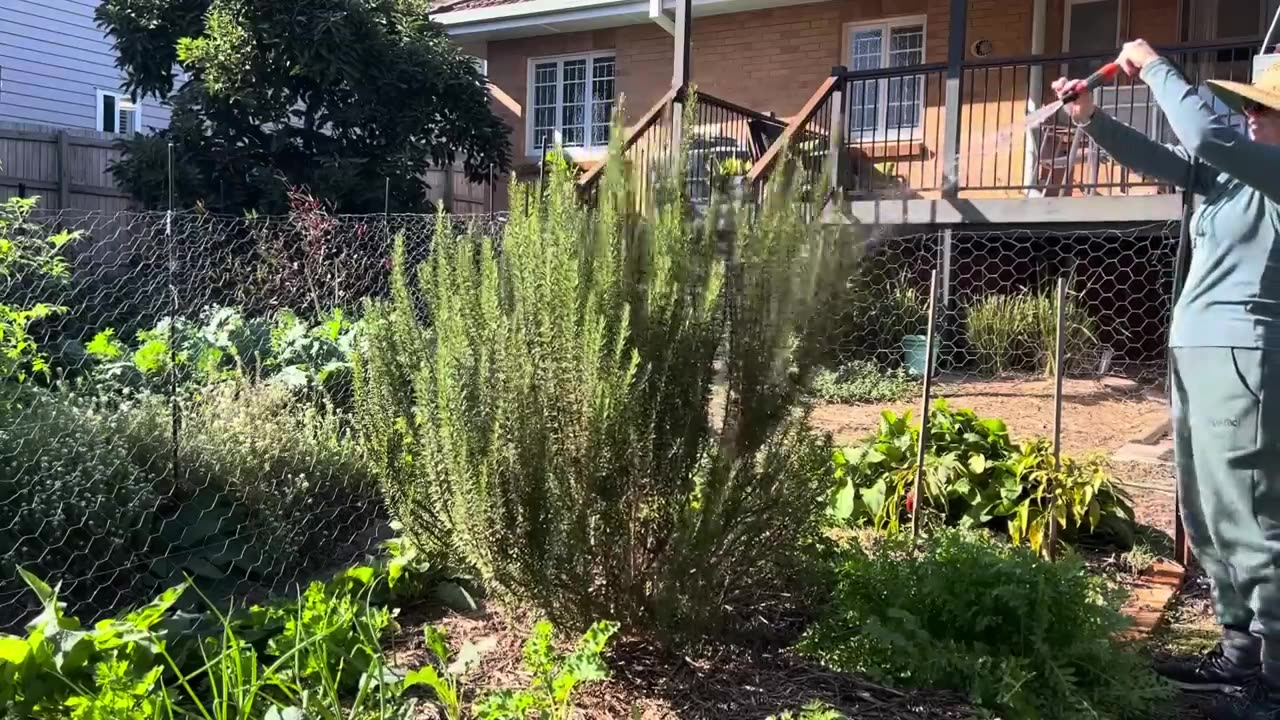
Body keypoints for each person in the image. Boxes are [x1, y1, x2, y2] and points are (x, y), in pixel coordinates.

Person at [1054, 41, 1280, 720]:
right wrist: (1093, 118)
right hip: (1201, 357)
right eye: (1247, 107)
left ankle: (1272, 678)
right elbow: (1165, 157)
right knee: (1209, 512)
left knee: (1252, 515)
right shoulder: (1232, 176)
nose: (1249, 119)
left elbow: (1205, 130)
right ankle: (1238, 656)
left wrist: (1153, 67)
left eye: (1264, 111)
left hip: (1246, 356)